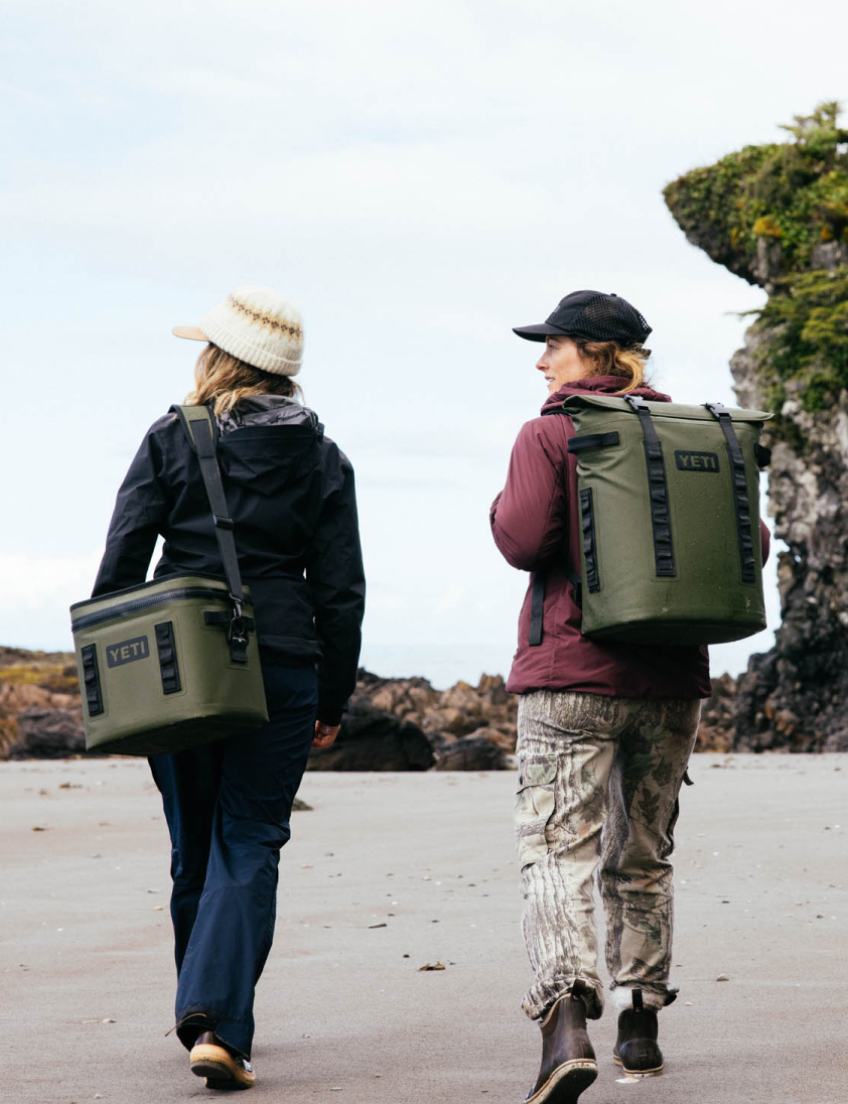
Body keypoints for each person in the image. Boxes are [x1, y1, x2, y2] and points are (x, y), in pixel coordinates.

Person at [490, 290, 768, 1104]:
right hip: (670, 681)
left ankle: (566, 1026)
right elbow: (747, 544)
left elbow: (522, 538)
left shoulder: (550, 432)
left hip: (570, 676)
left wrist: (499, 507)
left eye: (555, 345)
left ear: (598, 353)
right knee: (642, 853)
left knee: (556, 849)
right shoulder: (697, 435)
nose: (542, 360)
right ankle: (639, 1024)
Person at [91, 286, 365, 1090]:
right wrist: (332, 699)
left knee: (193, 845)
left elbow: (121, 562)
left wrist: (115, 686)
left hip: (181, 665)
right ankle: (220, 1024)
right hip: (282, 661)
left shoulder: (172, 437)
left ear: (219, 358)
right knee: (250, 839)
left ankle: (204, 1014)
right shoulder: (322, 456)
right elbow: (340, 591)